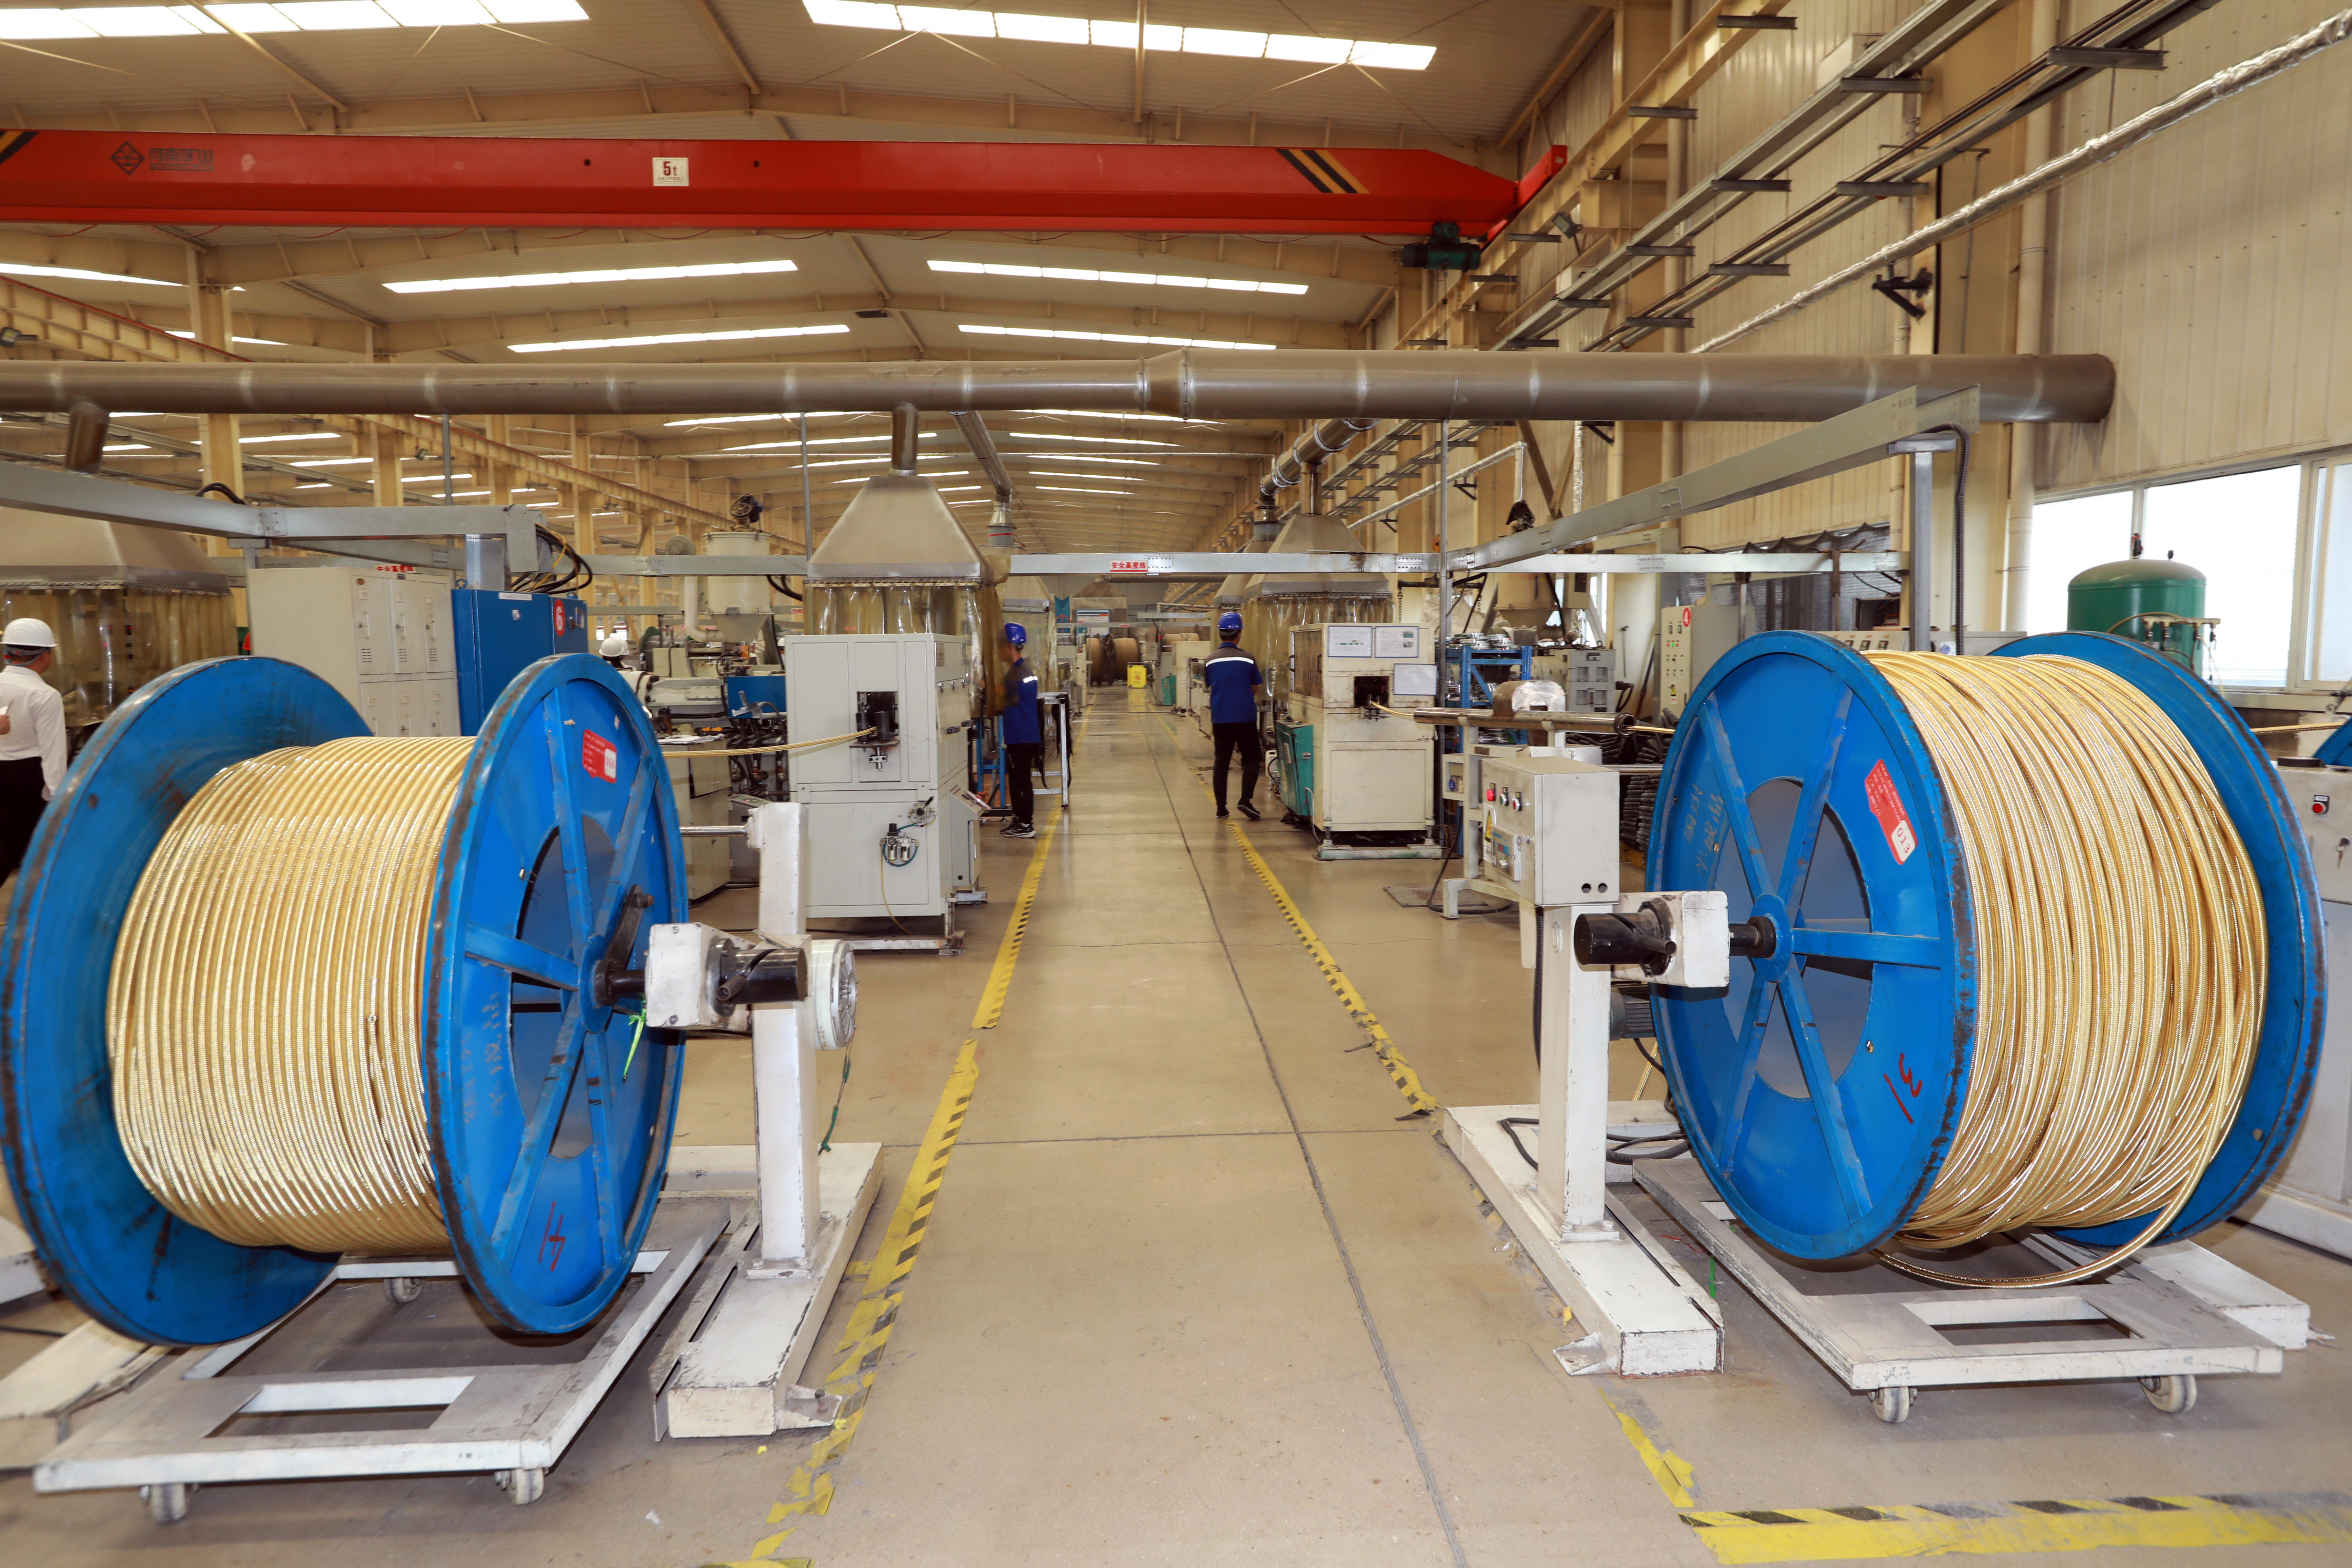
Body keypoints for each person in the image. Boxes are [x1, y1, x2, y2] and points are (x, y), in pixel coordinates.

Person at [0, 617, 67, 886]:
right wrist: (58, 799)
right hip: (28, 777)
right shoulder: (45, 695)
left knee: (6, 845)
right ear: (45, 656)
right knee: (41, 849)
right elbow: (54, 753)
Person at [1202, 611, 1263, 820]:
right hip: (1244, 717)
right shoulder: (1248, 659)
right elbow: (1255, 685)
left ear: (1220, 633)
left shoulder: (1209, 661)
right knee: (1253, 758)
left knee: (1222, 761)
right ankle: (1245, 800)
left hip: (1221, 718)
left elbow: (1210, 684)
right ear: (1239, 635)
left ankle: (1221, 809)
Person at [999, 621, 1043, 839]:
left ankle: (1026, 824)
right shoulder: (1020, 670)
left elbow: (1001, 694)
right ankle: (1020, 818)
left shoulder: (1017, 674)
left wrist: (980, 681)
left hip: (1021, 736)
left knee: (1021, 781)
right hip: (1022, 734)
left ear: (1010, 646)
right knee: (1017, 780)